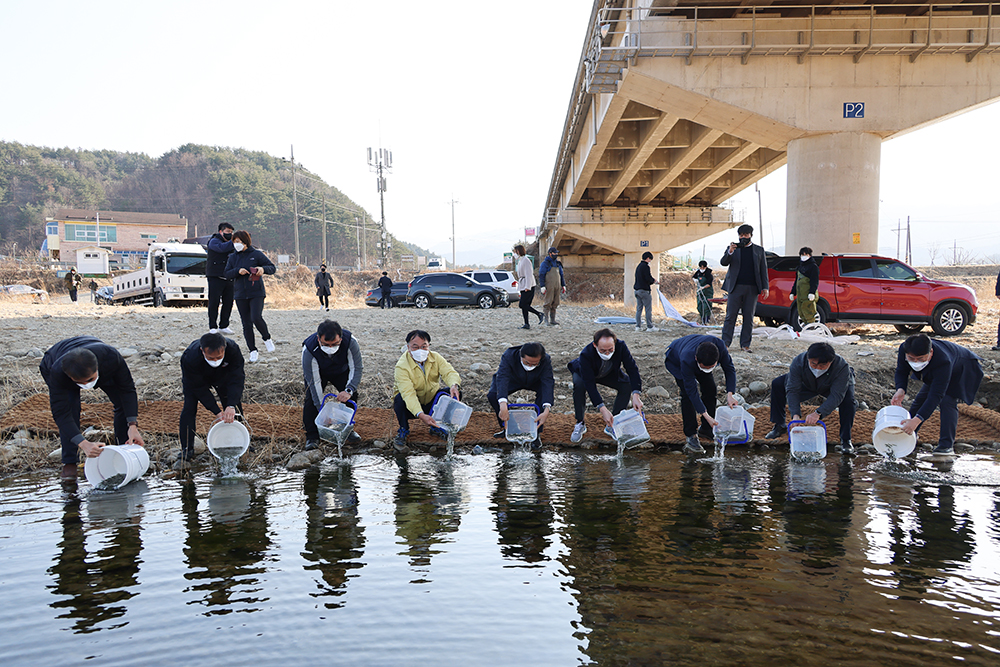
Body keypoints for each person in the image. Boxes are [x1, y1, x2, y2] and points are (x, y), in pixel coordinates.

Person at [38, 336, 145, 480]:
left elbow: (127, 390)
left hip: (96, 355)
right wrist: (83, 444)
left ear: (97, 369)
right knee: (71, 409)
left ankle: (124, 448)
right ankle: (69, 462)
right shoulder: (57, 373)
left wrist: (132, 425)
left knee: (121, 402)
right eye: (80, 383)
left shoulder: (111, 358)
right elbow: (61, 413)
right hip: (54, 359)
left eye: (89, 380)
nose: (86, 385)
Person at [891, 334, 984, 455]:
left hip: (962, 368)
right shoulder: (904, 348)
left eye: (920, 359)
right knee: (920, 400)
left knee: (947, 401)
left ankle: (946, 446)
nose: (915, 362)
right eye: (911, 358)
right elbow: (901, 371)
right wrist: (901, 389)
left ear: (931, 352)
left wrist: (917, 419)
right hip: (936, 370)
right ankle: (909, 436)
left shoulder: (943, 360)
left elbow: (936, 396)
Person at [764, 342, 856, 454]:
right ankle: (779, 425)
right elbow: (793, 389)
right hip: (807, 384)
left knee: (849, 401)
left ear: (830, 362)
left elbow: (837, 395)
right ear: (808, 358)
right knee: (778, 384)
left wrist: (818, 413)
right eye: (813, 364)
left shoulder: (842, 367)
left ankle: (846, 439)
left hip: (831, 386)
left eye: (822, 366)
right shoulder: (799, 361)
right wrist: (795, 415)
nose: (817, 368)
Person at [178, 332, 245, 469]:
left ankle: (241, 441)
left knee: (233, 407)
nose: (215, 360)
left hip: (223, 375)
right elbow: (199, 388)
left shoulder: (233, 350)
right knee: (189, 408)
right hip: (197, 378)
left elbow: (237, 379)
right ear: (202, 351)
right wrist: (216, 411)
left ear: (224, 349)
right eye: (211, 357)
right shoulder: (190, 357)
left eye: (219, 357)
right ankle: (187, 449)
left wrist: (231, 405)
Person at [664, 334, 738, 454]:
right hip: (676, 359)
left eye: (711, 367)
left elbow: (729, 368)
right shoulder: (686, 358)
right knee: (687, 396)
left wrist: (730, 394)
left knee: (710, 389)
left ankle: (706, 429)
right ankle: (691, 435)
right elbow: (692, 391)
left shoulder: (719, 348)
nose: (708, 369)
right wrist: (706, 415)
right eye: (705, 367)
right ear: (697, 359)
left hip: (702, 358)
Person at [568, 328, 643, 443]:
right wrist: (602, 409)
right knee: (579, 386)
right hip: (584, 373)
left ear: (615, 343)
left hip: (608, 372)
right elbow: (589, 383)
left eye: (610, 350)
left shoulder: (621, 346)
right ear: (595, 345)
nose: (607, 353)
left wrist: (636, 395)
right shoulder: (586, 354)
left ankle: (614, 423)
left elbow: (632, 369)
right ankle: (580, 423)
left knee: (626, 384)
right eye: (603, 351)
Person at [392, 330, 462, 451]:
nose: (420, 350)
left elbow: (449, 372)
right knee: (399, 399)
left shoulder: (436, 358)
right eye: (415, 346)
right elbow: (408, 394)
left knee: (454, 393)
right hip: (410, 407)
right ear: (408, 347)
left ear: (428, 345)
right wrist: (420, 414)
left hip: (431, 402)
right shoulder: (402, 366)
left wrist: (454, 385)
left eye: (424, 346)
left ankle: (437, 426)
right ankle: (403, 430)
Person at [302, 320, 363, 451]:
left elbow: (356, 368)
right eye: (325, 344)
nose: (330, 348)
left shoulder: (351, 342)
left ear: (340, 338)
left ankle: (346, 429)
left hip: (341, 370)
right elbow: (315, 383)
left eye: (335, 344)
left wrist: (349, 390)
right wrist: (322, 413)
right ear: (318, 339)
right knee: (311, 400)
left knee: (351, 397)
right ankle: (312, 436)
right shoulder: (309, 349)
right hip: (318, 373)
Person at [487, 342, 554, 448]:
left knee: (543, 397)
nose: (530, 366)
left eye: (535, 364)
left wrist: (546, 409)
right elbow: (503, 377)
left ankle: (536, 433)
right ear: (520, 355)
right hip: (513, 379)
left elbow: (548, 382)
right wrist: (503, 404)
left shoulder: (546, 359)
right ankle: (509, 428)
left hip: (536, 380)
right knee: (493, 395)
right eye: (527, 363)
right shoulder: (509, 355)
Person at [224, 230, 276, 363]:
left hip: (256, 292)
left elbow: (272, 267)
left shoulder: (256, 254)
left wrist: (262, 269)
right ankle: (253, 350)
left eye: (239, 242)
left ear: (246, 242)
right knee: (246, 324)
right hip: (240, 294)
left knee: (256, 317)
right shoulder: (232, 257)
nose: (236, 244)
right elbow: (227, 273)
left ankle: (266, 338)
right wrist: (237, 271)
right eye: (234, 242)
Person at [719, 223, 769, 353]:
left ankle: (745, 345)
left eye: (746, 235)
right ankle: (725, 344)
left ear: (751, 235)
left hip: (752, 289)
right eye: (741, 235)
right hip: (735, 287)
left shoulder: (759, 250)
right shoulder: (733, 248)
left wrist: (765, 287)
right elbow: (724, 262)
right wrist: (730, 251)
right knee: (730, 316)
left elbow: (763, 270)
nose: (743, 237)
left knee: (748, 317)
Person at [206, 222, 237, 335]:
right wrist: (234, 242)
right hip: (215, 276)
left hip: (229, 276)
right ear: (221, 231)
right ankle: (212, 326)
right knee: (214, 302)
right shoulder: (214, 241)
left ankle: (224, 325)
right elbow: (222, 249)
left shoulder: (231, 244)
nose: (230, 234)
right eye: (228, 232)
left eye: (231, 232)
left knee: (228, 302)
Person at [514, 244, 543, 329]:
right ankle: (526, 323)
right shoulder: (521, 260)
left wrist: (528, 286)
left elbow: (529, 274)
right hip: (523, 284)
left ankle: (539, 314)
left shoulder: (526, 260)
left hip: (528, 285)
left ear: (518, 251)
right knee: (524, 306)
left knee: (522, 304)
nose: (515, 253)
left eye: (515, 251)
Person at [791, 247, 820, 326]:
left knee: (808, 310)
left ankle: (811, 327)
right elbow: (797, 281)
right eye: (802, 254)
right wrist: (793, 292)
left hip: (808, 295)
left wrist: (812, 292)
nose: (803, 256)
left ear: (809, 255)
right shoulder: (800, 267)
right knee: (801, 311)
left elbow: (814, 281)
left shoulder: (813, 267)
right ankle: (805, 326)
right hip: (800, 295)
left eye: (805, 254)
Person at [538, 246, 566, 326]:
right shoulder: (545, 263)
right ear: (550, 254)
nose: (556, 254)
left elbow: (561, 275)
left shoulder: (558, 263)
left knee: (555, 302)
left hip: (557, 285)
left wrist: (563, 285)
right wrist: (542, 286)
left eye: (557, 253)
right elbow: (541, 275)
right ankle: (546, 320)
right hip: (549, 285)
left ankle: (553, 320)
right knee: (548, 302)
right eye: (554, 253)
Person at [634, 251, 659, 332]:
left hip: (637, 290)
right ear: (647, 258)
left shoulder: (638, 266)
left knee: (639, 309)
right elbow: (647, 278)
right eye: (650, 259)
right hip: (644, 291)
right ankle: (650, 327)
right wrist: (654, 281)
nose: (650, 261)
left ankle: (638, 326)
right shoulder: (646, 267)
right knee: (648, 309)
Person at [693, 261, 714, 325]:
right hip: (700, 292)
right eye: (700, 267)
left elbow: (709, 284)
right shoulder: (698, 272)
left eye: (703, 267)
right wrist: (694, 279)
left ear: (706, 267)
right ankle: (702, 318)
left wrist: (703, 287)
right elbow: (694, 277)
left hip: (707, 292)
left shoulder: (708, 274)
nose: (702, 269)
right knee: (699, 306)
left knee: (706, 306)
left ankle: (707, 320)